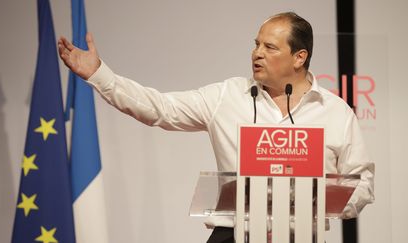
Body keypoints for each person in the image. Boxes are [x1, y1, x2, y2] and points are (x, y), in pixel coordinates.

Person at [58, 12, 374, 243]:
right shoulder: (228, 96)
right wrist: (99, 74)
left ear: (299, 57)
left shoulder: (334, 112)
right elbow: (160, 109)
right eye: (256, 44)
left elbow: (362, 183)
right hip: (232, 235)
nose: (257, 53)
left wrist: (315, 199)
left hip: (299, 235)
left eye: (270, 47)